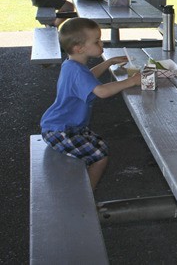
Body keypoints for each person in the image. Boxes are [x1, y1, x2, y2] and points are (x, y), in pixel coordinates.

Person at [40, 18, 141, 190]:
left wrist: (108, 63)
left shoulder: (72, 65)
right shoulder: (76, 70)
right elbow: (101, 91)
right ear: (79, 48)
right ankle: (86, 196)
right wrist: (131, 81)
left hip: (65, 125)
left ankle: (82, 186)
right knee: (99, 156)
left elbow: (89, 76)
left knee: (100, 145)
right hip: (61, 130)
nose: (101, 43)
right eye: (97, 41)